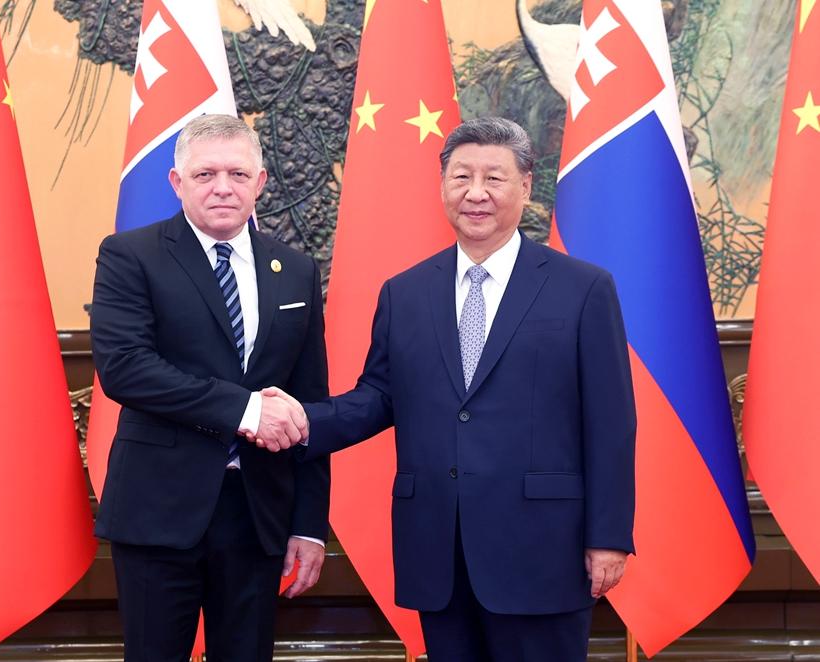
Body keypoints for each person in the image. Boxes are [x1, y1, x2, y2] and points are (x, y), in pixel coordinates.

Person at [254, 117, 636, 661]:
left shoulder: (583, 289)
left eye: (494, 178)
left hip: (543, 550)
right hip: (439, 550)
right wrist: (299, 421)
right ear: (442, 186)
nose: (476, 193)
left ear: (526, 187)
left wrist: (609, 536)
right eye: (461, 177)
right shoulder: (405, 292)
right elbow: (378, 397)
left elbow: (611, 423)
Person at [90, 113, 330, 662]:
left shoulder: (295, 270)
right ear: (177, 183)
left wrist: (310, 525)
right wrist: (245, 410)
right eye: (205, 175)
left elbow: (308, 405)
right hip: (158, 511)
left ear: (259, 182)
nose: (223, 187)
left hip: (259, 515)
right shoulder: (130, 255)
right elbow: (125, 368)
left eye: (237, 174)